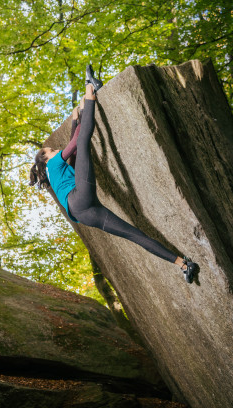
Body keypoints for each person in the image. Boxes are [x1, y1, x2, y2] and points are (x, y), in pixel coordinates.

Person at [29, 65, 198, 283]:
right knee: (81, 141)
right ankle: (92, 87)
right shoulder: (53, 166)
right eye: (51, 150)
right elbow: (75, 143)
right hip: (80, 198)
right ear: (46, 158)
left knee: (135, 236)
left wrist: (75, 118)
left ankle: (184, 264)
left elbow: (76, 150)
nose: (55, 149)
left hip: (85, 214)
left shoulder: (57, 174)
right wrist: (86, 100)